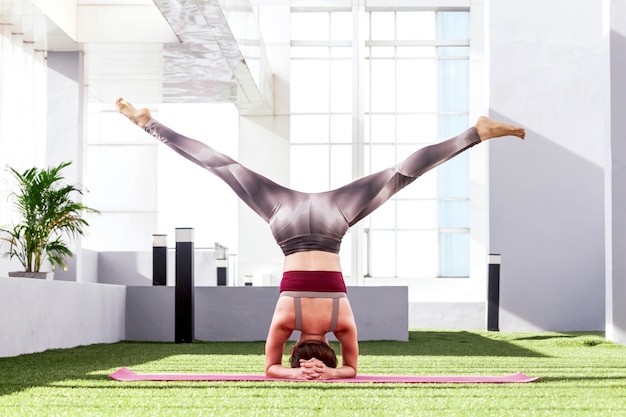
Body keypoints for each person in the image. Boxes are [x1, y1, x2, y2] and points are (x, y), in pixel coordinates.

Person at [115, 97, 525, 380]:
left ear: (327, 346)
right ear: (296, 350)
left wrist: (333, 374)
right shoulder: (285, 323)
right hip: (286, 221)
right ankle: (149, 123)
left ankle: (475, 133)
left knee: (399, 175)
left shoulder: (341, 325)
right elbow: (269, 369)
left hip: (331, 222)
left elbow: (353, 370)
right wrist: (296, 374)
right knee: (225, 167)